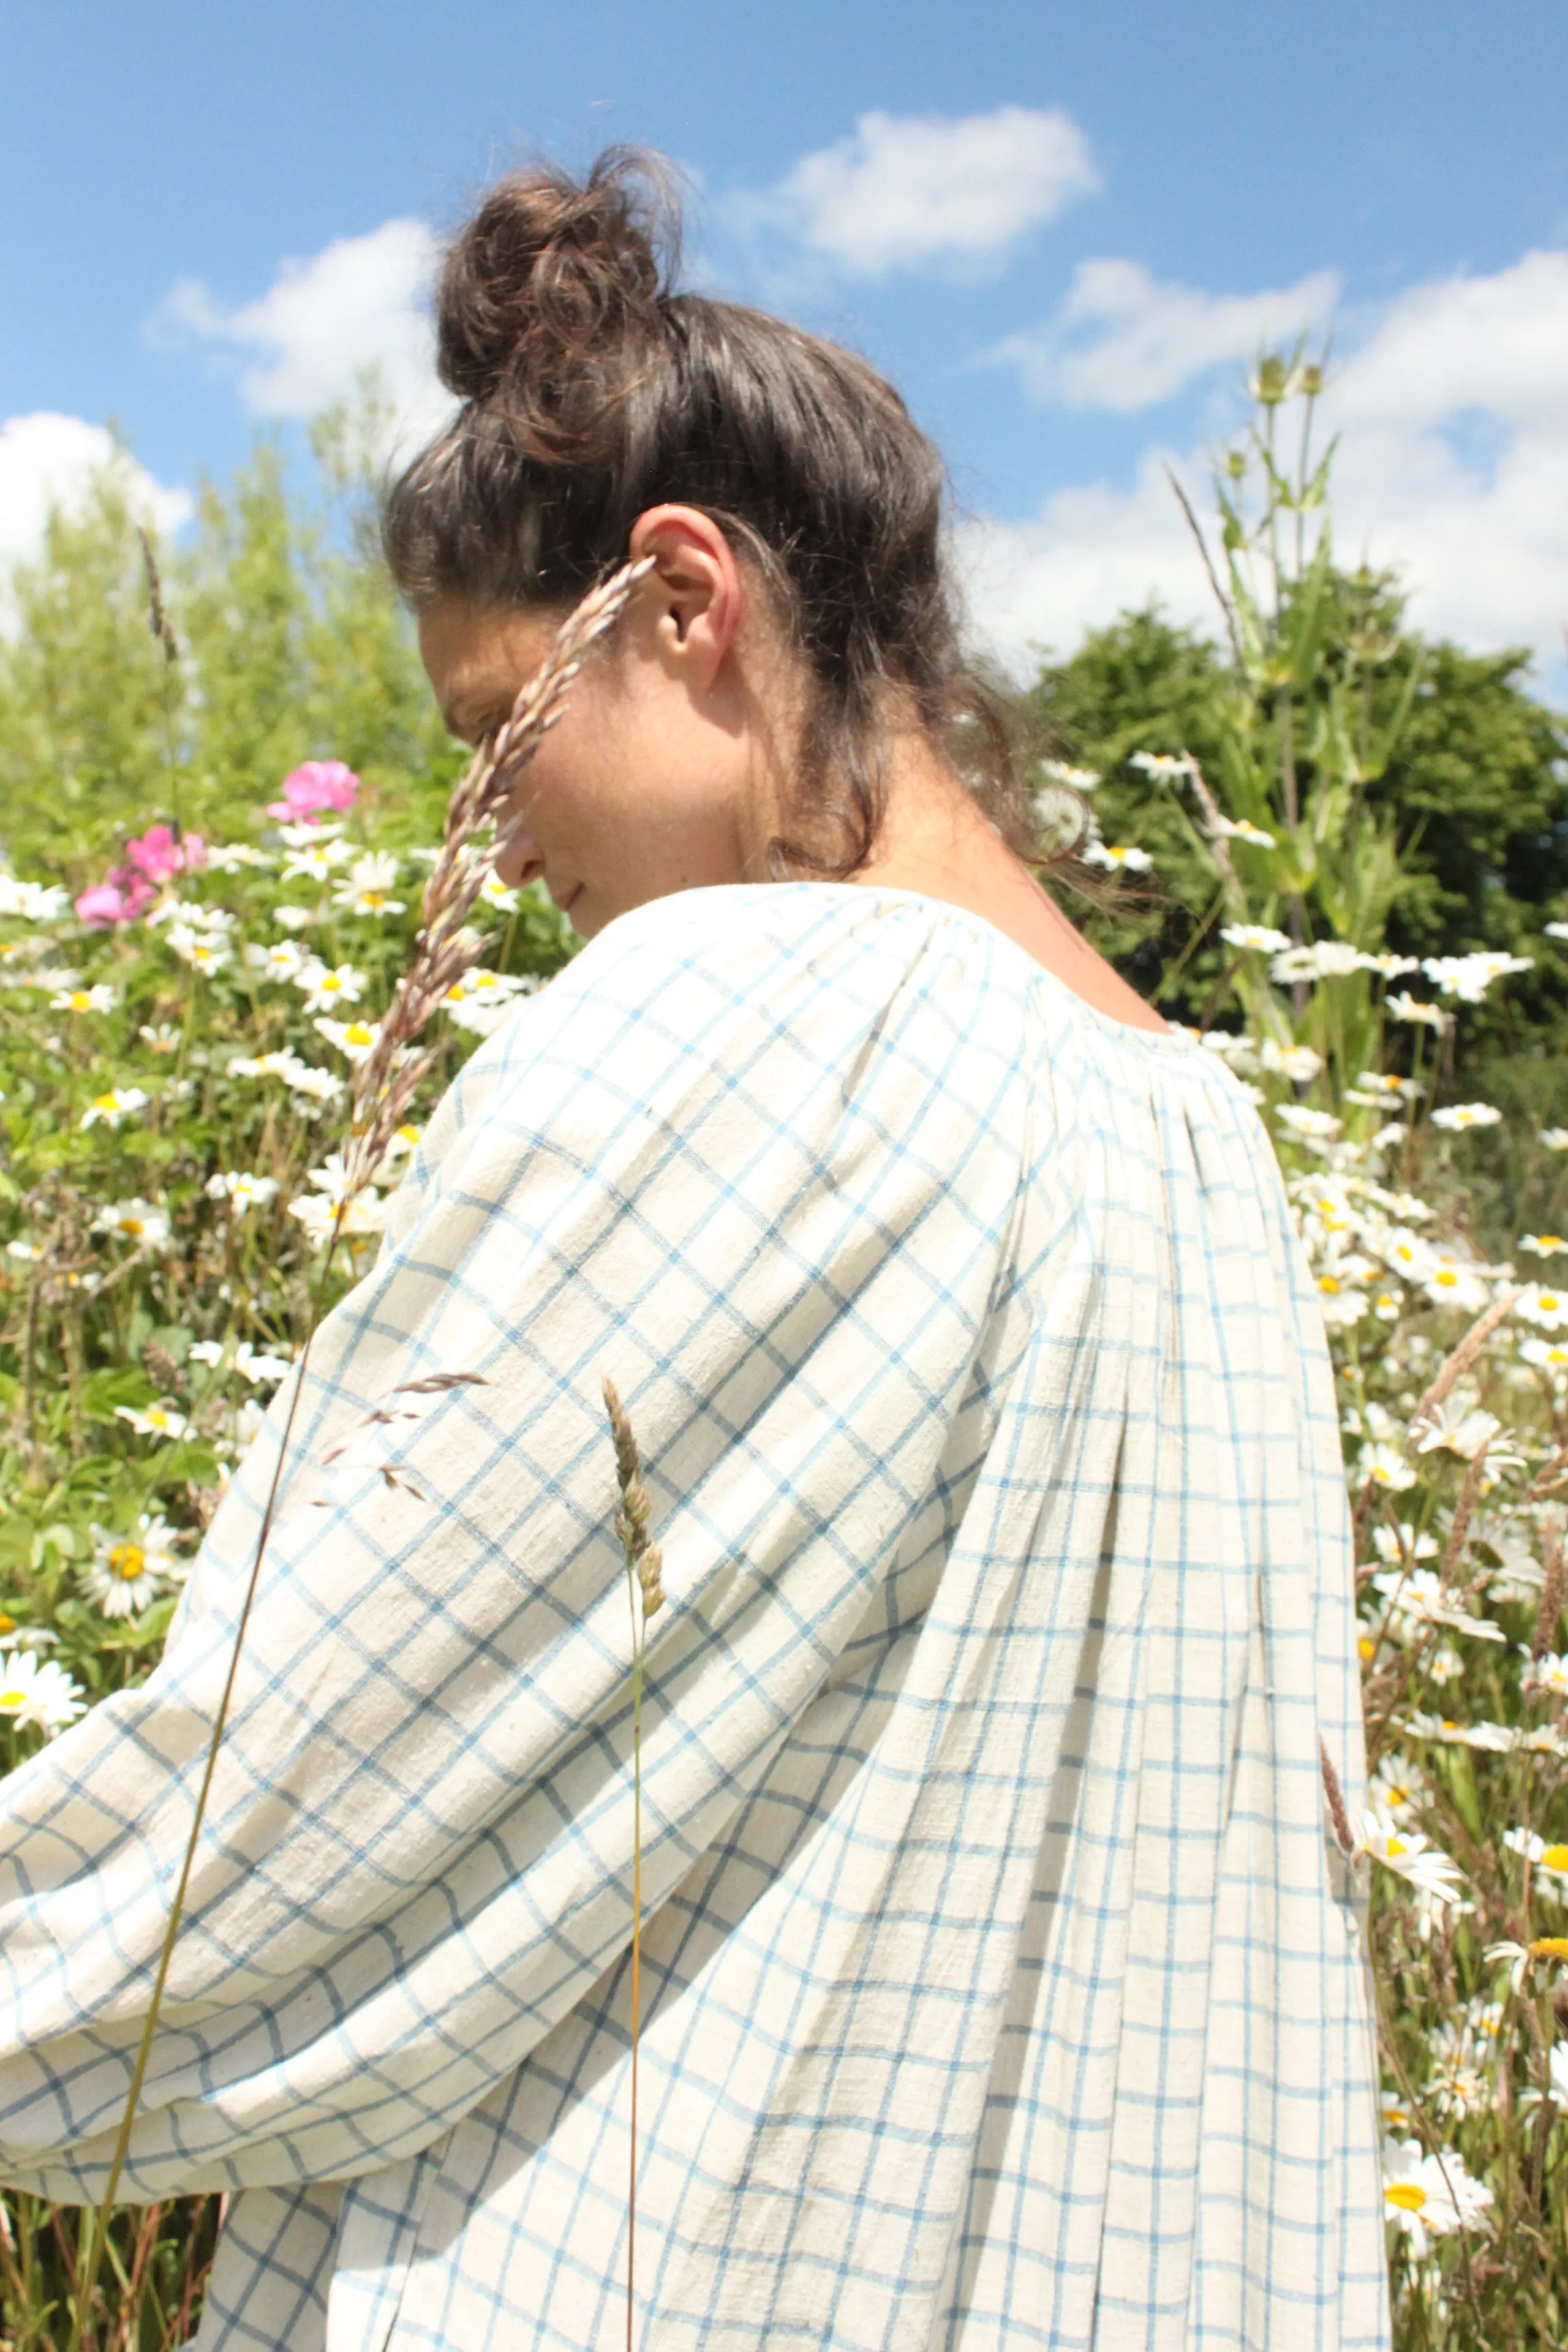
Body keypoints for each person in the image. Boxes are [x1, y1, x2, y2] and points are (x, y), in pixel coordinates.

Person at [0, 151, 1388, 2350]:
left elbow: (273, 1842)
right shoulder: (1207, 1139)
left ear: (684, 599)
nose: (491, 830)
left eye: (492, 736)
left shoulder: (740, 1015)